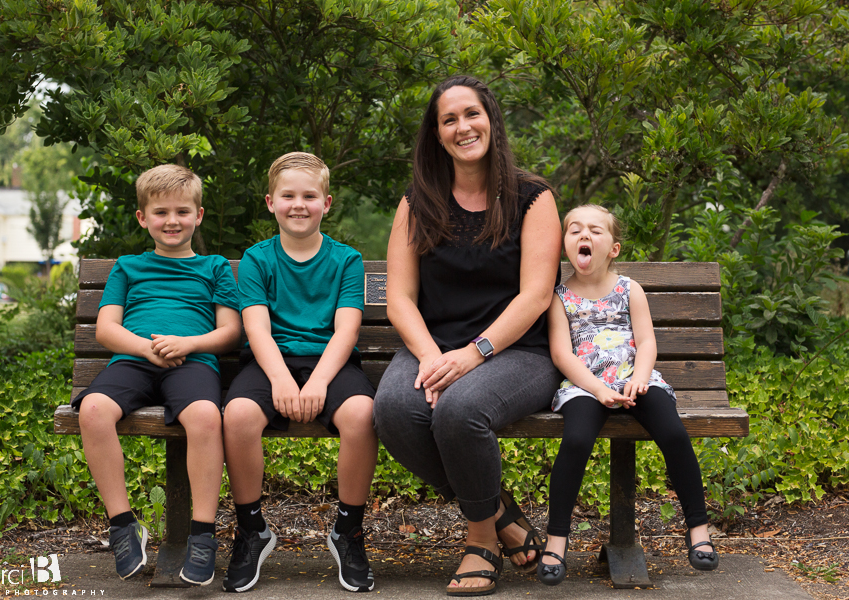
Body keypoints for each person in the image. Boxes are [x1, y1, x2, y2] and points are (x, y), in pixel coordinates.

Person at [373, 75, 562, 596]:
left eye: (471, 114)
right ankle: (500, 511)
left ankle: (480, 538)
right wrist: (436, 357)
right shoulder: (418, 201)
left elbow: (535, 297)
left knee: (460, 409)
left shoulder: (533, 197)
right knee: (393, 408)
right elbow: (400, 299)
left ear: (491, 120)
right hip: (434, 344)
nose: (462, 127)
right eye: (449, 119)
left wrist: (472, 355)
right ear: (436, 134)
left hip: (517, 349)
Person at [73, 164, 241, 585]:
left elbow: (230, 332)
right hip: (133, 360)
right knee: (92, 409)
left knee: (205, 417)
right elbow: (107, 329)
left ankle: (202, 534)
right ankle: (123, 525)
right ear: (142, 218)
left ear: (198, 216)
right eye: (161, 212)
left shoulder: (215, 267)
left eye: (182, 212)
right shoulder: (129, 267)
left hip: (193, 362)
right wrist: (147, 348)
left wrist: (189, 344)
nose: (172, 221)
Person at [222, 152, 378, 593]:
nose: (298, 204)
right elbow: (257, 329)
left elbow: (346, 332)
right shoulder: (257, 259)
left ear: (326, 204)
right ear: (270, 202)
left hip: (331, 362)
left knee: (362, 416)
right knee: (236, 417)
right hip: (269, 363)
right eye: (287, 195)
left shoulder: (346, 260)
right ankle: (252, 529)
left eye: (310, 196)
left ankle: (348, 529)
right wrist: (283, 380)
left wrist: (317, 382)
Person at [539, 204, 719, 586]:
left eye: (595, 231)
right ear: (564, 245)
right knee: (575, 440)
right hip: (586, 386)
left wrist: (639, 377)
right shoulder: (558, 296)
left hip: (636, 380)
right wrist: (599, 389)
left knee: (672, 433)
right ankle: (557, 541)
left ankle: (699, 529)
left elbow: (647, 339)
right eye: (574, 230)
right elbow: (561, 354)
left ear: (613, 249)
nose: (584, 236)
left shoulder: (629, 289)